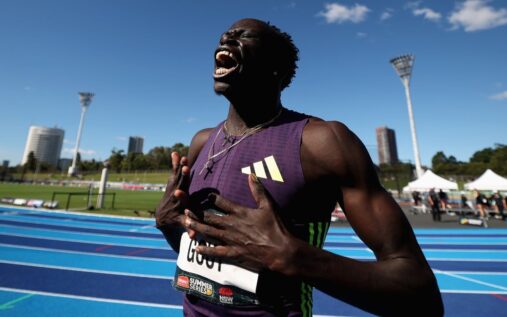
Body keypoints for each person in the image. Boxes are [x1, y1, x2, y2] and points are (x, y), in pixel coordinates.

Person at [156, 18, 443, 317]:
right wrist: (169, 225)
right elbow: (209, 254)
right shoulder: (202, 142)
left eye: (244, 35)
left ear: (275, 67)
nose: (226, 37)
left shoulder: (323, 143)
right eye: (224, 34)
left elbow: (421, 296)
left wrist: (294, 257)